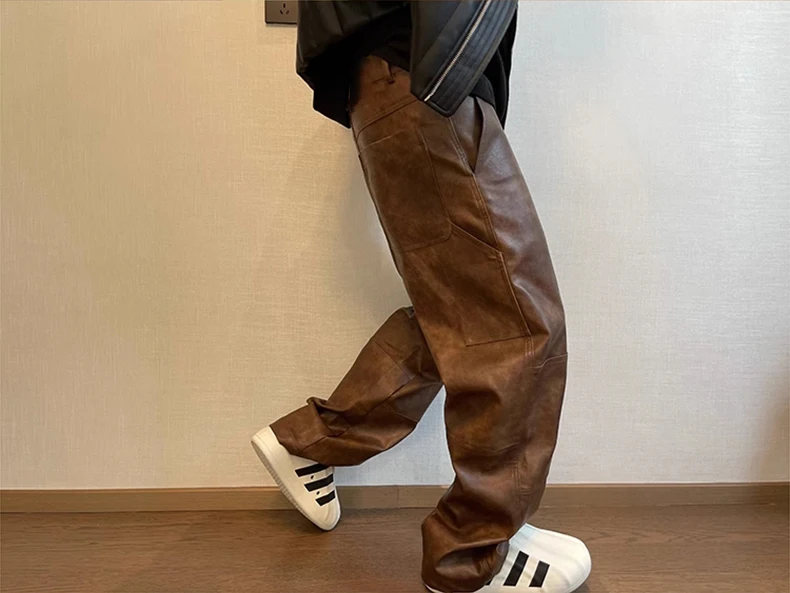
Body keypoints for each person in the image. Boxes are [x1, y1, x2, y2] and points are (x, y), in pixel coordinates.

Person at [251, 2, 592, 592]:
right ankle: (470, 557)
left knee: (460, 314)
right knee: (515, 323)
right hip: (425, 78)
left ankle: (312, 443)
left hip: (395, 82)